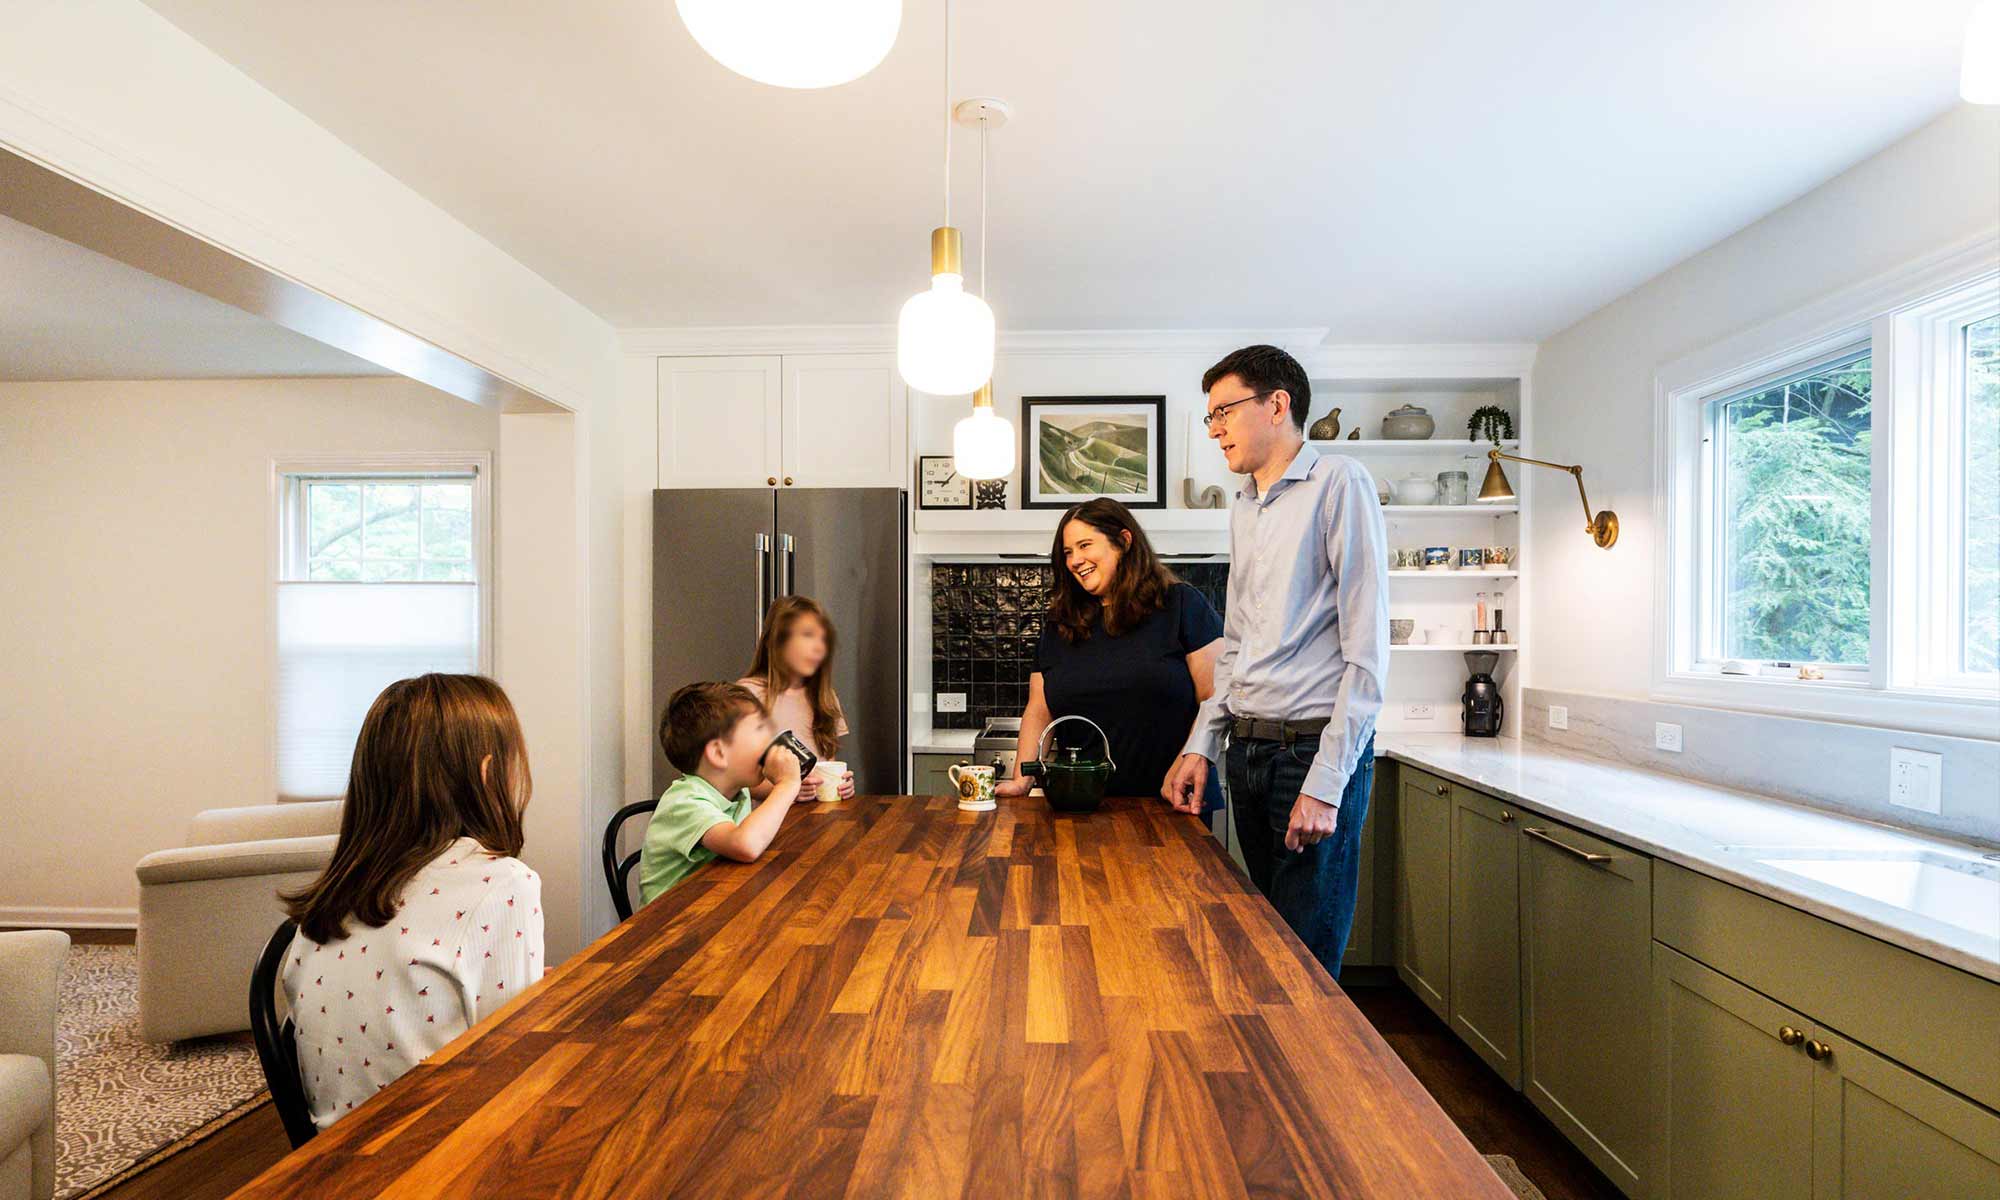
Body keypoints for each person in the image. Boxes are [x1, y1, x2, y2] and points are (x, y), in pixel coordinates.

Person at [1163, 344, 1389, 980]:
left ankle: (1314, 1083)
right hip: (1250, 755)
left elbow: (1368, 654)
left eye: (1223, 413)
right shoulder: (1245, 505)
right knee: (1269, 952)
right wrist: (1202, 746)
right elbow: (1235, 643)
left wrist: (1326, 783)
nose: (1214, 431)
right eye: (1209, 419)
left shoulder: (1340, 483)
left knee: (1306, 969)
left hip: (1309, 756)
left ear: (1277, 405)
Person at [279, 673, 543, 1131]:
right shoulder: (502, 883)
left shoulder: (338, 893)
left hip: (335, 1162)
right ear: (487, 775)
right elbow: (513, 1069)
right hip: (436, 1163)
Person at [995, 497, 1225, 810]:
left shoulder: (1181, 605)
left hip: (1173, 802)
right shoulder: (1060, 624)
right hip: (1081, 804)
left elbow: (1215, 695)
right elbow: (1040, 708)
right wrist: (1024, 777)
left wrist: (1191, 756)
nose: (1075, 560)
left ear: (1124, 541)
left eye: (1085, 545)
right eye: (1067, 552)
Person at [637, 681, 802, 906]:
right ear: (718, 753)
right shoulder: (685, 803)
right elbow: (746, 845)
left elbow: (776, 794)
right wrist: (788, 785)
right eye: (759, 731)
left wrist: (804, 782)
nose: (770, 741)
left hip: (717, 908)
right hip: (669, 929)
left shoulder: (734, 785)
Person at [739, 596, 854, 801]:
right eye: (807, 635)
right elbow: (736, 779)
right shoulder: (747, 696)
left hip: (818, 821)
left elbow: (827, 764)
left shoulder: (826, 697)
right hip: (768, 827)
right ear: (776, 642)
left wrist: (840, 784)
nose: (818, 647)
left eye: (822, 638)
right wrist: (787, 790)